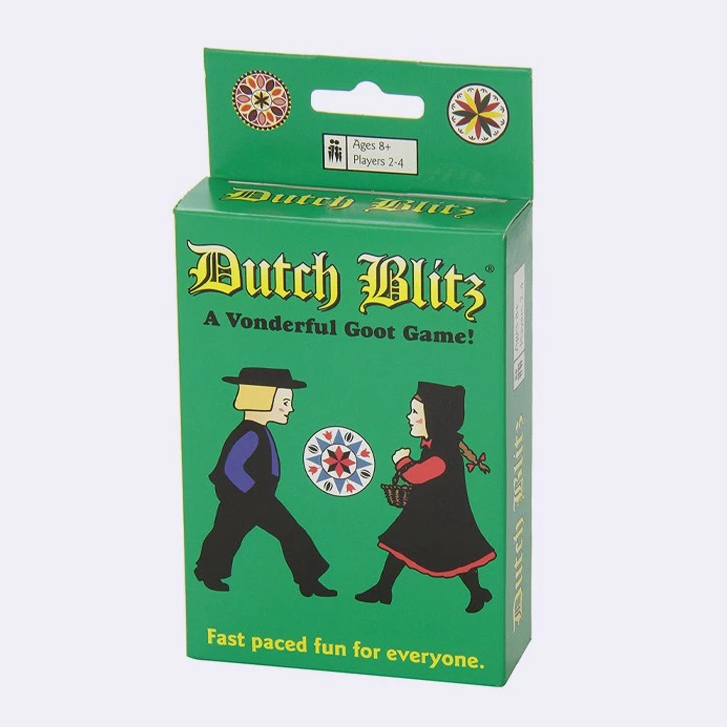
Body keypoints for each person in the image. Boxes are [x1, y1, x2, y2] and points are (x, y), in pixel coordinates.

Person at [194, 367, 336, 598]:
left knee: (228, 534)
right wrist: (253, 493)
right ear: (263, 399)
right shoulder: (250, 433)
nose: (290, 408)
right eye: (285, 401)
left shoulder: (257, 431)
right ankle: (308, 580)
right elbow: (231, 468)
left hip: (255, 497)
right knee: (283, 533)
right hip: (250, 498)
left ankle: (308, 580)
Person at [356, 381, 495, 613]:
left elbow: (419, 475)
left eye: (415, 413)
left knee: (460, 554)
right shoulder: (437, 443)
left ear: (433, 417)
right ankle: (383, 588)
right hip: (424, 510)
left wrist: (402, 461)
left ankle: (477, 592)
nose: (409, 417)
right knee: (399, 544)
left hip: (445, 515)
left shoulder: (443, 451)